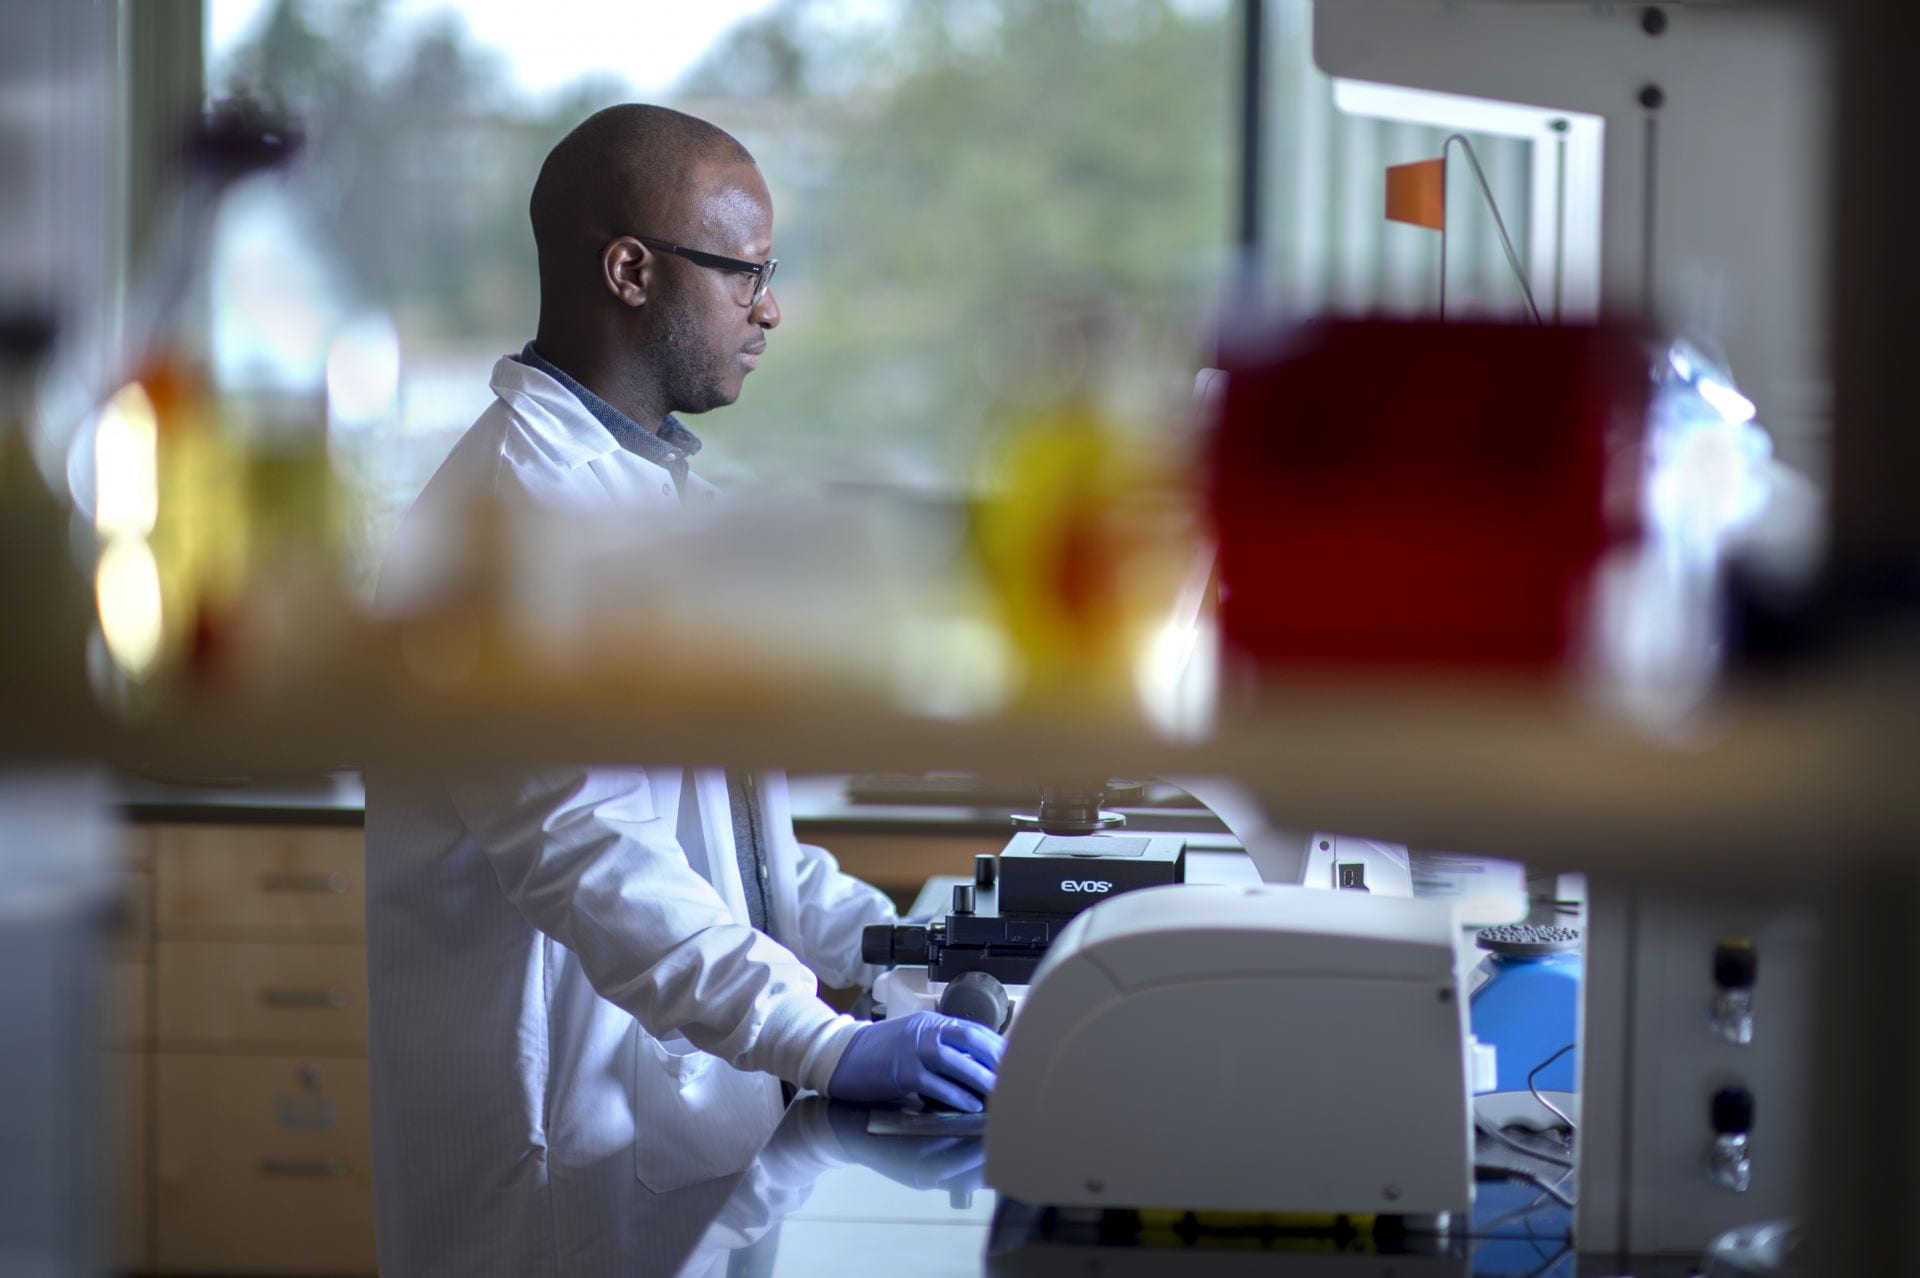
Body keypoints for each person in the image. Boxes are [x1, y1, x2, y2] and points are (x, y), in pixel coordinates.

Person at [363, 104, 1003, 1277]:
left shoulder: (653, 499)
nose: (772, 308)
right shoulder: (504, 523)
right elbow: (589, 851)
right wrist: (820, 1039)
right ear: (630, 271)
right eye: (747, 272)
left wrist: (906, 945)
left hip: (691, 1133)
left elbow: (742, 850)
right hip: (557, 1170)